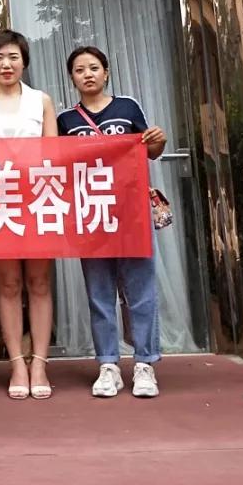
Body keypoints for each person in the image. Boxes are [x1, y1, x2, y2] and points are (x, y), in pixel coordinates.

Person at [57, 45, 167, 398]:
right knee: (99, 292)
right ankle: (108, 365)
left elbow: (150, 150)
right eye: (79, 70)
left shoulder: (128, 107)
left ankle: (145, 364)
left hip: (132, 212)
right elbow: (57, 165)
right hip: (92, 214)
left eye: (93, 67)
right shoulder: (65, 120)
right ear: (72, 78)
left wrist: (158, 141)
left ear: (106, 72)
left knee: (141, 290)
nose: (87, 74)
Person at [0, 29, 58, 400]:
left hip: (38, 200)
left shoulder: (41, 101)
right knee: (7, 284)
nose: (6, 64)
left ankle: (40, 364)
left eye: (13, 57)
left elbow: (54, 154)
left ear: (24, 62)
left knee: (39, 282)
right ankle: (17, 363)